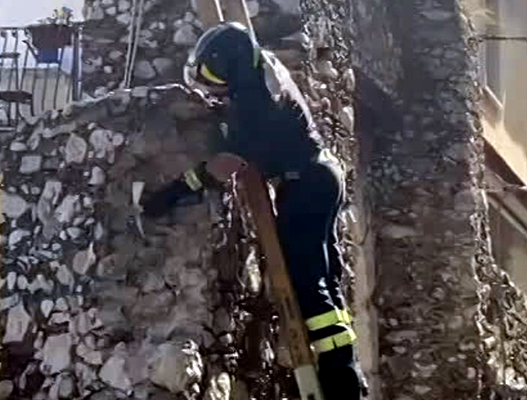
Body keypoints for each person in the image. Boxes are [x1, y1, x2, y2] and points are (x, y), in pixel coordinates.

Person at [138, 21, 366, 400]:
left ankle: (339, 385)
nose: (210, 89)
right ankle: (347, 374)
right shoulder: (262, 69)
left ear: (234, 69)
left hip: (305, 184)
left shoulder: (255, 106)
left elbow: (222, 167)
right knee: (325, 280)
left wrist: (171, 193)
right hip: (321, 175)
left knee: (309, 283)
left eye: (213, 78)